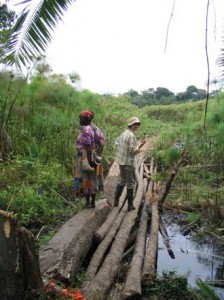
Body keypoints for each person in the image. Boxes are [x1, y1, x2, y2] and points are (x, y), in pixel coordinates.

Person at [74, 110, 105, 208]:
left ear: (87, 119)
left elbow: (87, 146)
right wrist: (97, 157)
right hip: (93, 156)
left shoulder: (86, 129)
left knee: (86, 179)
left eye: (81, 118)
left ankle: (88, 202)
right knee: (93, 178)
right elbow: (102, 144)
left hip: (85, 157)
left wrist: (90, 160)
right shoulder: (96, 129)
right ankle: (92, 202)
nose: (80, 120)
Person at [114, 117, 144, 211]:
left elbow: (116, 142)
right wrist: (139, 150)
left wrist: (123, 150)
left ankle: (116, 201)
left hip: (121, 161)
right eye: (135, 124)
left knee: (122, 180)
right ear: (130, 125)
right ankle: (130, 205)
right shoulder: (131, 136)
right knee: (131, 183)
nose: (136, 126)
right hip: (128, 163)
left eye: (138, 124)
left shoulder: (124, 133)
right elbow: (132, 151)